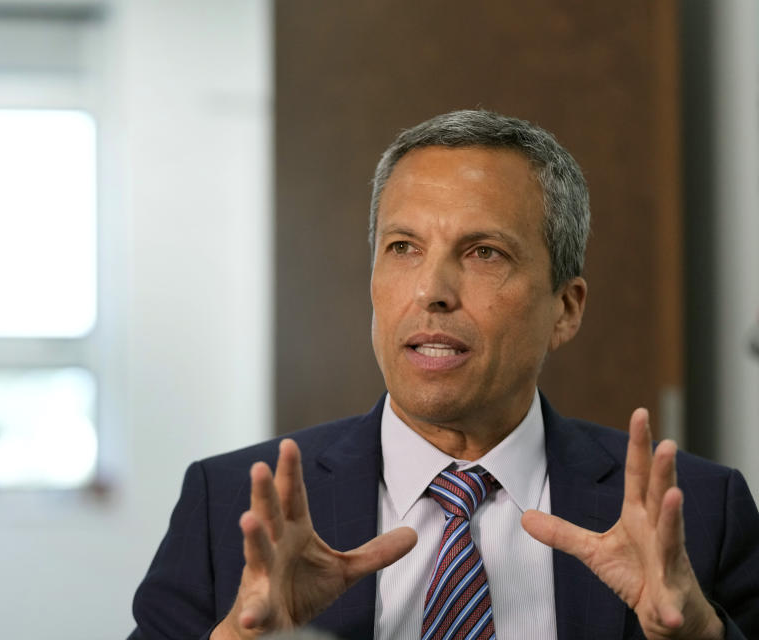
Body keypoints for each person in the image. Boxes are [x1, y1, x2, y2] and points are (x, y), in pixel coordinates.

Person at [129, 110, 759, 639]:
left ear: (565, 309)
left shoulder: (703, 513)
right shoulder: (228, 504)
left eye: (484, 253)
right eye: (403, 248)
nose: (432, 291)